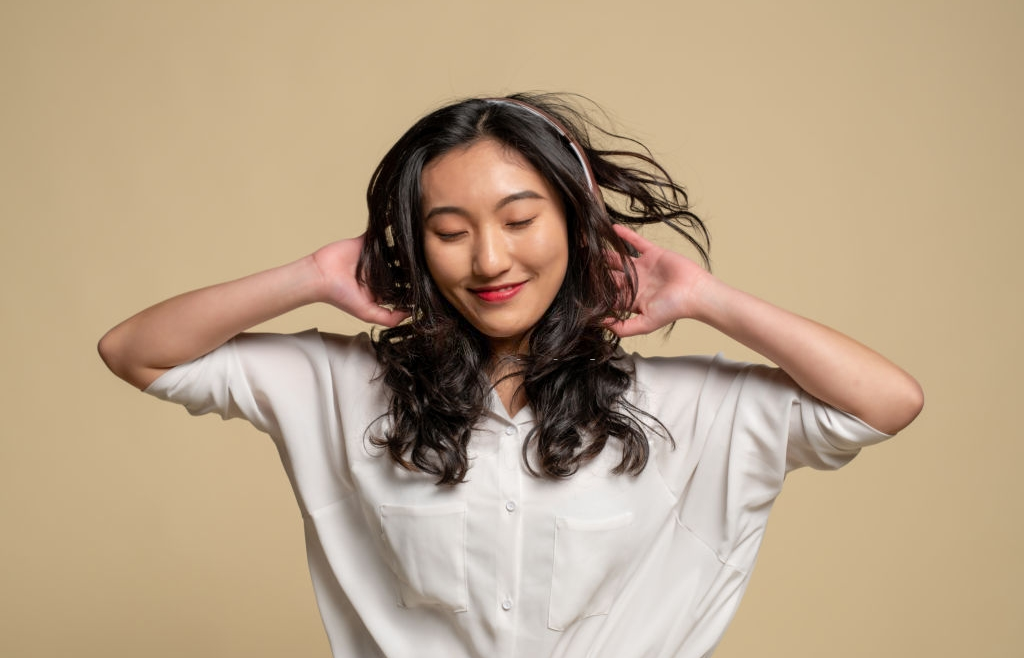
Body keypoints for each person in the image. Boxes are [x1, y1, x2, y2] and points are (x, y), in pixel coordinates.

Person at [98, 93, 923, 658]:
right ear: (415, 248)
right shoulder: (338, 386)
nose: (490, 259)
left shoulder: (687, 406)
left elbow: (888, 402)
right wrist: (313, 274)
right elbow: (135, 350)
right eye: (449, 231)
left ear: (575, 219)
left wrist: (704, 298)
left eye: (520, 220)